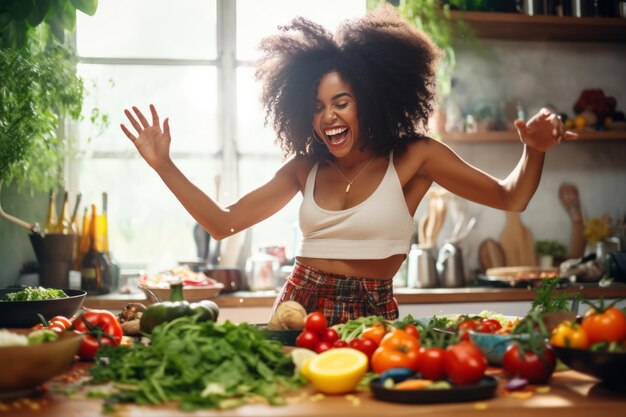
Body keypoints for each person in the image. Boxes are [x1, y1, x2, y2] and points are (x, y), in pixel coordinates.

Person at [121, 6, 577, 326]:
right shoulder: (305, 168)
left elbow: (511, 197)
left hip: (372, 310)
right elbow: (223, 223)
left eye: (342, 102)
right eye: (317, 107)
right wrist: (164, 165)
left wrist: (534, 150)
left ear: (372, 102)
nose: (328, 117)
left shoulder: (415, 156)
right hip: (298, 305)